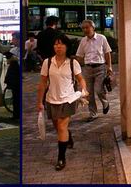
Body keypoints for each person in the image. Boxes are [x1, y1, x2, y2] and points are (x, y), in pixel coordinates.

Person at [37, 34, 88, 171]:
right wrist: (39, 102)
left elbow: (80, 79)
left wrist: (84, 89)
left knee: (61, 127)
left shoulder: (72, 63)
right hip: (51, 99)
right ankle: (68, 136)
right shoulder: (47, 62)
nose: (58, 47)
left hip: (68, 99)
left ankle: (61, 158)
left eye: (61, 44)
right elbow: (42, 83)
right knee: (58, 126)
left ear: (67, 46)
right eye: (56, 44)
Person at [74, 20, 113, 121]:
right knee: (89, 93)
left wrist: (109, 67)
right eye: (83, 28)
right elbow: (79, 55)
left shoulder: (101, 38)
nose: (85, 30)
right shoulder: (83, 41)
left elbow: (107, 53)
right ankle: (93, 113)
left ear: (93, 27)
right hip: (87, 69)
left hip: (100, 68)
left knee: (99, 90)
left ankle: (105, 102)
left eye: (87, 27)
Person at [3, 50, 21, 120]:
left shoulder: (13, 65)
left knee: (16, 100)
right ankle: (17, 114)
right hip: (17, 85)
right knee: (17, 99)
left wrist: (7, 83)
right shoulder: (15, 64)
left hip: (15, 85)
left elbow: (10, 76)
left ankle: (16, 115)